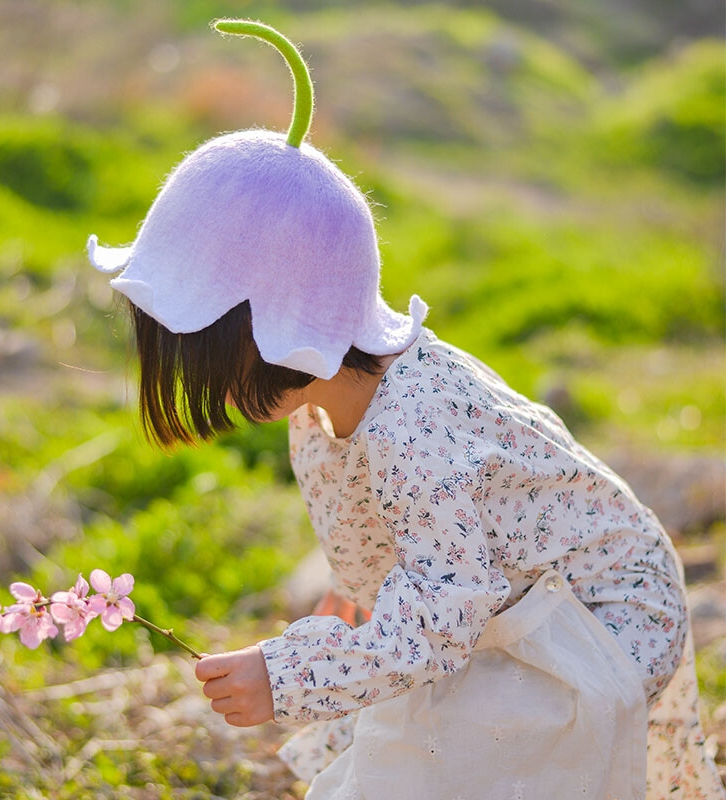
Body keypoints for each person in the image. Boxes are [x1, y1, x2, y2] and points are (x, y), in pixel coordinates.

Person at [87, 19, 724, 800]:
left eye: (207, 358)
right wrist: (357, 593)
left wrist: (288, 674)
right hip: (508, 603)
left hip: (598, 620)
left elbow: (441, 615)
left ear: (283, 328)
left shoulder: (412, 425)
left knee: (452, 769)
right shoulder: (326, 404)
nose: (208, 391)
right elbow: (416, 539)